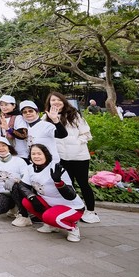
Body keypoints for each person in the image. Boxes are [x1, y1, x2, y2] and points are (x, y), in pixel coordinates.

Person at [44, 92, 99, 223]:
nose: (56, 102)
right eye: (53, 100)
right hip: (60, 157)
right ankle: (73, 209)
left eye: (59, 100)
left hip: (79, 156)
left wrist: (76, 143)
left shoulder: (74, 115)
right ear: (49, 102)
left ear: (64, 101)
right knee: (68, 185)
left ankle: (90, 211)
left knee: (83, 184)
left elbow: (86, 134)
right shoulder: (46, 117)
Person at [19, 144, 85, 242]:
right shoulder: (30, 168)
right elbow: (22, 186)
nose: (36, 156)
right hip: (52, 205)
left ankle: (72, 229)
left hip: (72, 207)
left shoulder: (56, 168)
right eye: (33, 154)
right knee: (27, 201)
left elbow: (70, 196)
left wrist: (58, 182)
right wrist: (32, 197)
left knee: (49, 216)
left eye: (39, 153)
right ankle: (51, 226)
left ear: (46, 155)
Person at [0, 137, 30, 227]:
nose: (1, 148)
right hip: (3, 192)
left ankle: (24, 216)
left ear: (9, 147)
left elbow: (27, 177)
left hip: (18, 191)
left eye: (3, 145)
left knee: (15, 186)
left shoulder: (19, 160)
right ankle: (13, 207)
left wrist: (16, 180)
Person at [0, 95, 29, 162]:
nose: (3, 107)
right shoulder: (1, 118)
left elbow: (23, 134)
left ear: (13, 106)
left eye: (6, 105)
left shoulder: (19, 117)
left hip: (21, 154)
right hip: (7, 154)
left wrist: (8, 129)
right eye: (1, 105)